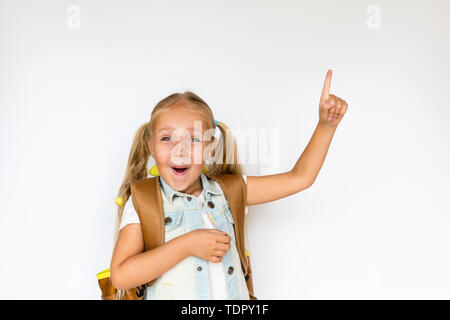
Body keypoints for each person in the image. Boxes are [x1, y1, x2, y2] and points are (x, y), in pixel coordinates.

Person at [110, 69, 348, 299]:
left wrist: (326, 126)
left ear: (210, 147)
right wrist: (187, 245)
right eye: (166, 138)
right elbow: (120, 276)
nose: (179, 150)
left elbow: (300, 178)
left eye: (193, 139)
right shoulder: (144, 201)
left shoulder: (228, 192)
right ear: (151, 146)